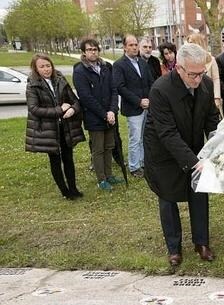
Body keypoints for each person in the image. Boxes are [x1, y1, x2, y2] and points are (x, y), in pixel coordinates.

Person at [144, 43, 221, 266]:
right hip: (164, 152)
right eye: (193, 74)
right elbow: (167, 133)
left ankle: (201, 242)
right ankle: (174, 247)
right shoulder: (160, 90)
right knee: (167, 196)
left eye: (201, 73)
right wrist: (193, 162)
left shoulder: (205, 85)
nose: (198, 79)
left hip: (194, 145)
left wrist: (217, 142)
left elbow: (211, 119)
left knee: (199, 192)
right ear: (178, 68)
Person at [25, 53, 86, 199]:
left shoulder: (60, 79)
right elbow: (34, 109)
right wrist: (59, 110)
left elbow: (75, 100)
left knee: (68, 158)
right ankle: (64, 191)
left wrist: (72, 109)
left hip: (65, 127)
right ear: (36, 68)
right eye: (42, 66)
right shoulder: (33, 84)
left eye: (48, 65)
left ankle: (73, 189)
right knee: (55, 159)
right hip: (48, 130)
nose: (46, 69)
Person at [73, 38, 122, 191]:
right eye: (89, 50)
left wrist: (112, 111)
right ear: (83, 52)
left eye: (95, 49)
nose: (93, 52)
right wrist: (104, 114)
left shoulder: (106, 67)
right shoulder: (80, 71)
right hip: (94, 117)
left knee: (109, 146)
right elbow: (86, 97)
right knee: (98, 149)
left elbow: (114, 90)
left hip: (109, 115)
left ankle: (109, 175)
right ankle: (101, 179)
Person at [113, 34, 154, 178]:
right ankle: (134, 166)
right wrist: (138, 101)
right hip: (133, 108)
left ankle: (142, 162)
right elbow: (120, 87)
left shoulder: (142, 63)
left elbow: (150, 82)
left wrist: (149, 99)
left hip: (147, 106)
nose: (134, 47)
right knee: (135, 138)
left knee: (144, 136)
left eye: (136, 44)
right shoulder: (119, 65)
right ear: (124, 47)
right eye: (131, 45)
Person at [186, 33, 223, 117]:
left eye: (191, 42)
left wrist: (216, 97)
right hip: (193, 95)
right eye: (188, 43)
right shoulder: (188, 60)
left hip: (209, 95)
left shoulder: (211, 59)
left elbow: (216, 79)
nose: (189, 45)